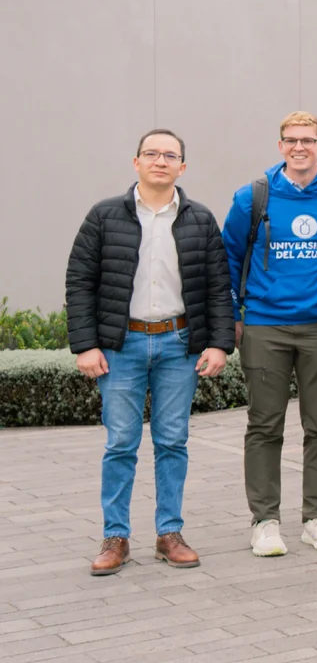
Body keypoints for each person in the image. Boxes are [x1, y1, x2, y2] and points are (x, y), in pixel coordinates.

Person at [67, 128, 231, 575]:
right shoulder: (104, 215)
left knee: (172, 441)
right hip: (122, 345)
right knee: (121, 442)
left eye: (170, 155)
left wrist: (219, 343)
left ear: (183, 167)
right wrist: (85, 345)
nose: (161, 161)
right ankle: (115, 537)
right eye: (152, 153)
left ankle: (169, 533)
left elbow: (218, 286)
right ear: (136, 162)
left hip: (179, 345)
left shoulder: (200, 219)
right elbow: (80, 282)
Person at [223, 110, 317, 558]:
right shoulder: (253, 197)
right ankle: (265, 521)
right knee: (265, 425)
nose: (299, 147)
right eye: (291, 140)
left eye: (308, 140)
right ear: (280, 146)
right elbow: (227, 260)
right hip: (266, 326)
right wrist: (234, 315)